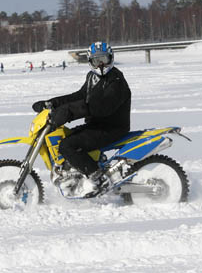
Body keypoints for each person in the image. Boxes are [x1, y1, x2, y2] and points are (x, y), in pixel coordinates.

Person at [32, 41, 131, 196]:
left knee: (67, 145)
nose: (100, 65)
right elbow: (79, 96)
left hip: (111, 128)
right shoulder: (92, 77)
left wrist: (70, 112)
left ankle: (98, 179)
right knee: (64, 137)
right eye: (96, 61)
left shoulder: (116, 81)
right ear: (90, 61)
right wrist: (52, 103)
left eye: (104, 60)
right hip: (96, 126)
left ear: (111, 59)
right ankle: (75, 175)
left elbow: (103, 108)